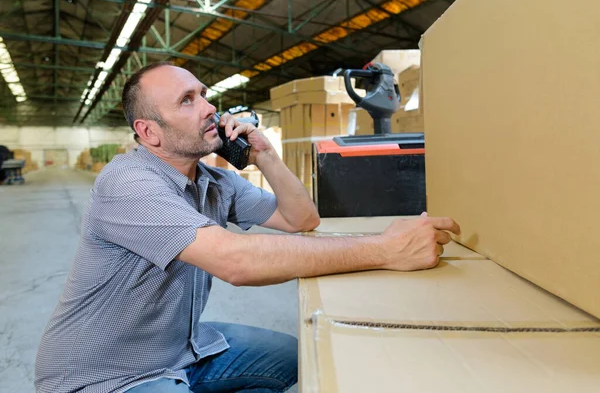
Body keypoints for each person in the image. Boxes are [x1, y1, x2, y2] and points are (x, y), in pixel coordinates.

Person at [34, 62, 460, 393]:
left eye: (203, 94)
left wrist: (266, 157)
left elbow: (301, 219)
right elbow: (237, 261)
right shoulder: (126, 184)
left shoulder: (216, 181)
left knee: (302, 358)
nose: (208, 107)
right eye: (187, 101)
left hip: (181, 347)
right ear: (149, 132)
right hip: (106, 377)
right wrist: (385, 249)